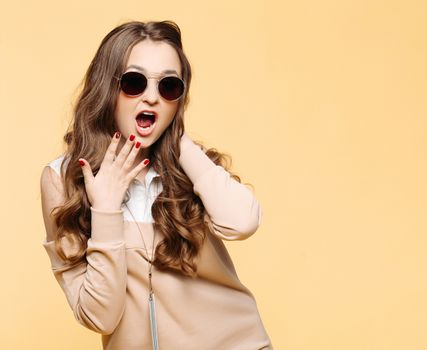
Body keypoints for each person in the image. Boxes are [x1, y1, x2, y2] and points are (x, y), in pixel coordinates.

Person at [40, 20, 273, 350]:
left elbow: (243, 222)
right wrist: (105, 210)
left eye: (169, 87)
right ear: (107, 87)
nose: (152, 98)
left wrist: (179, 141)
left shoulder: (189, 167)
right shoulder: (62, 180)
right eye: (134, 82)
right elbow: (100, 317)